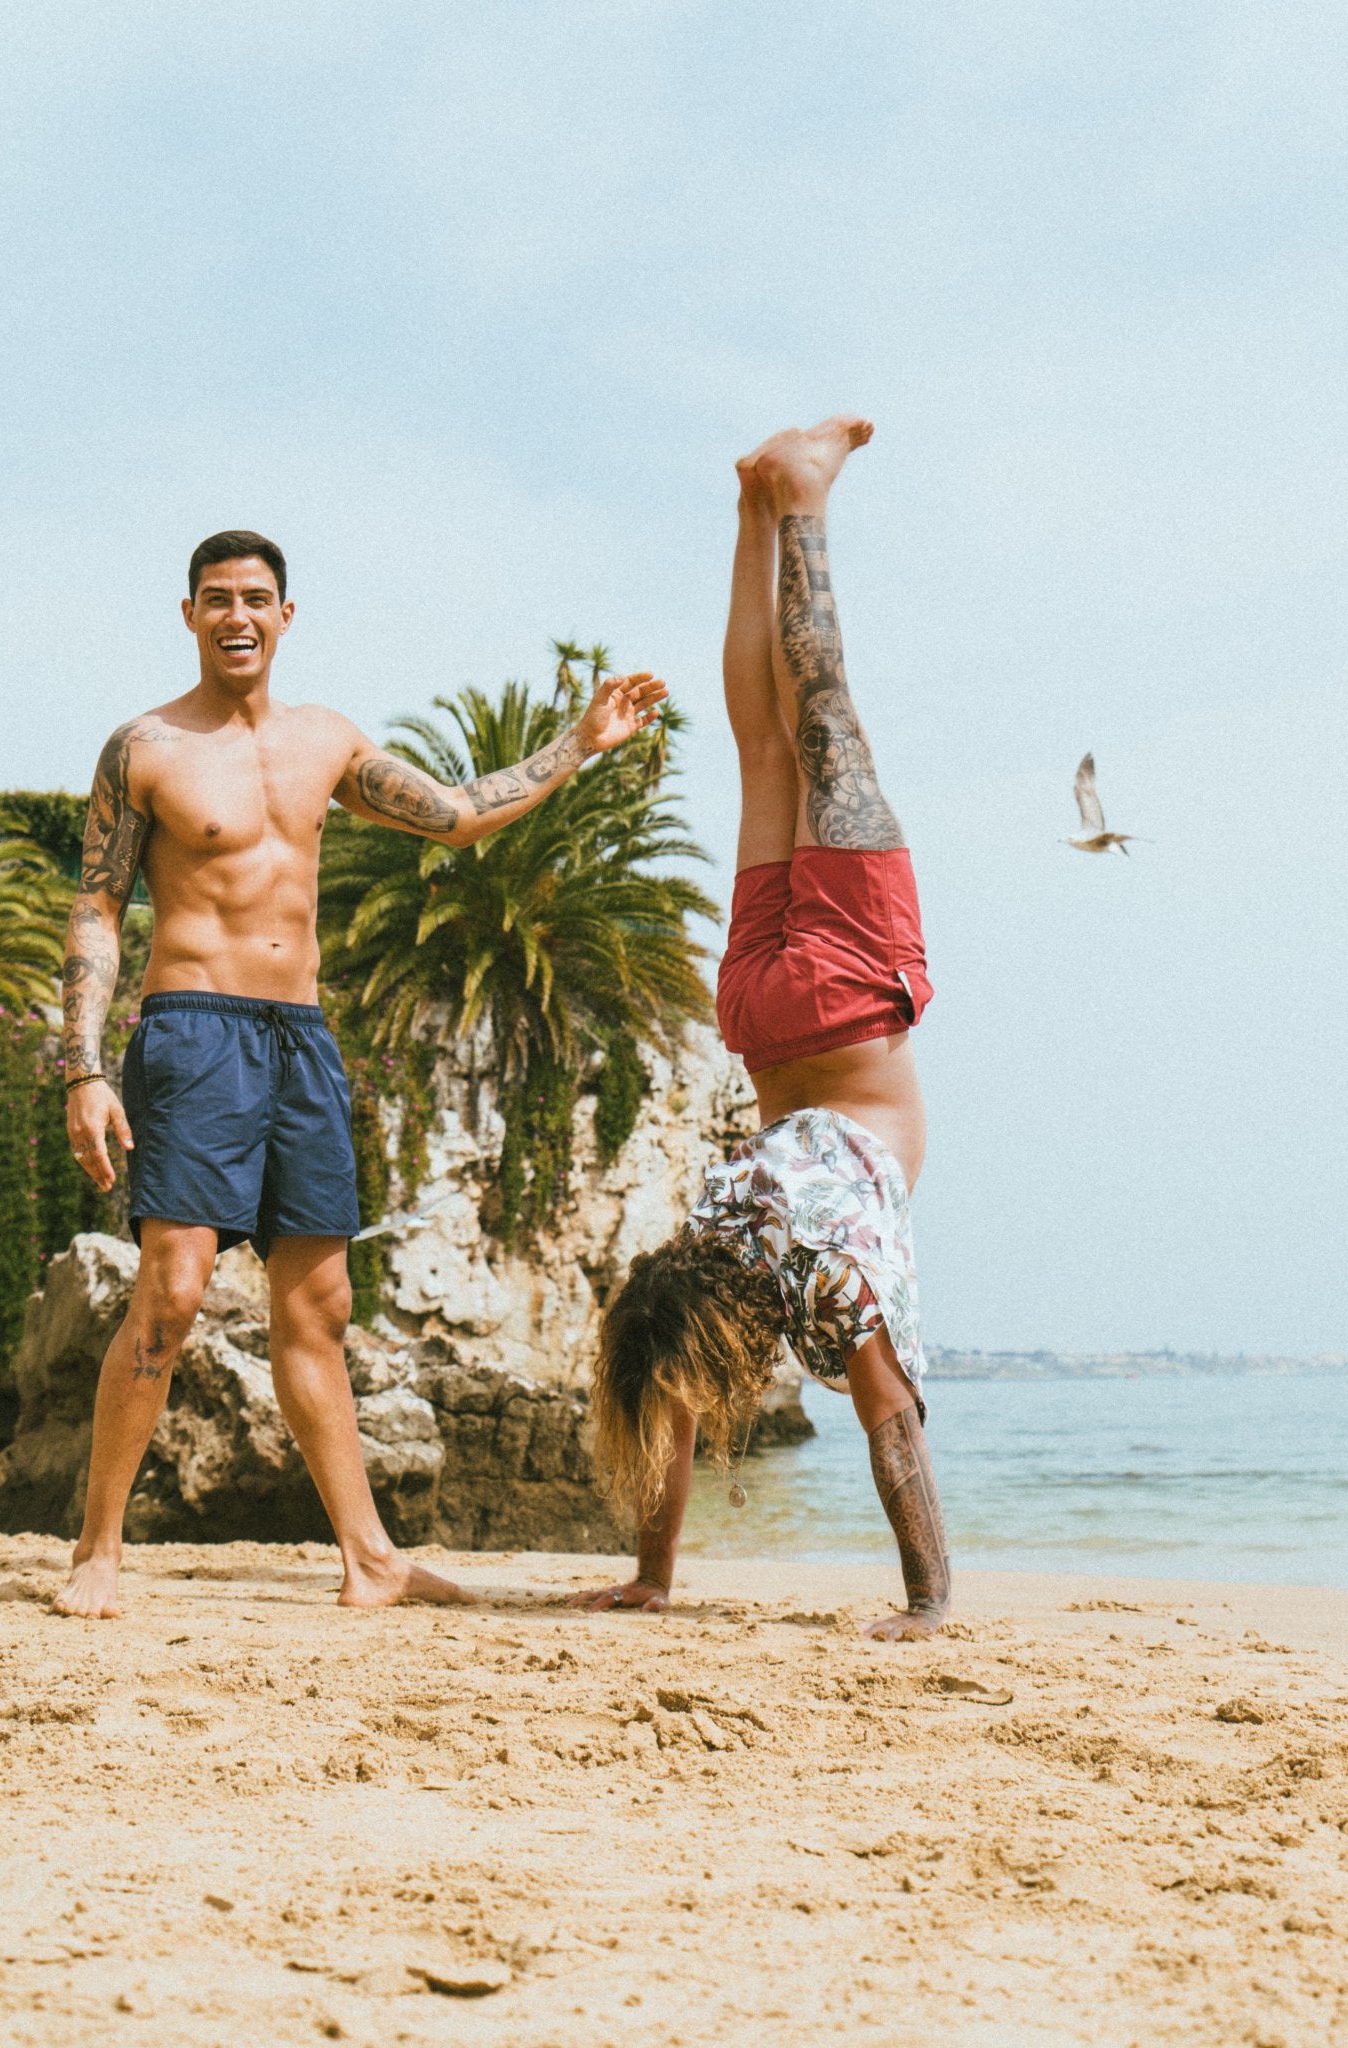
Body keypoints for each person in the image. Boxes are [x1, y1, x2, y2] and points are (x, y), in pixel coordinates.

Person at [54, 529, 665, 1618]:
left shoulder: (327, 742)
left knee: (320, 1303)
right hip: (193, 1029)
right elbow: (97, 905)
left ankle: (370, 1557)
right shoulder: (144, 746)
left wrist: (581, 740)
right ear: (189, 615)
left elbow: (459, 815)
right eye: (215, 598)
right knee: (172, 1291)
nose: (236, 614)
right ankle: (97, 1552)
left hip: (302, 1040)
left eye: (255, 597)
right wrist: (84, 1066)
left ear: (287, 616)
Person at [576, 418, 950, 1642]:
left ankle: (801, 499)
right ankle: (753, 510)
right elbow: (664, 1376)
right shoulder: (702, 1246)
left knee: (825, 715)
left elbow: (890, 1420)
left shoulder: (823, 1279)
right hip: (755, 1015)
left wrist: (926, 1601)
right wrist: (652, 1578)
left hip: (847, 989)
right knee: (764, 749)